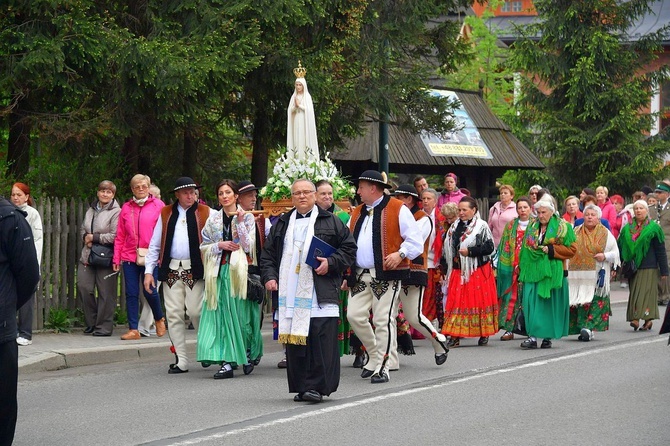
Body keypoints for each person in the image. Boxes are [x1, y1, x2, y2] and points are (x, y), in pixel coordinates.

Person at [261, 179, 356, 402]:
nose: (302, 196)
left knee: (320, 340)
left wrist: (331, 263)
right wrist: (270, 277)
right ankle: (302, 386)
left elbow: (349, 248)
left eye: (306, 192)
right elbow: (268, 255)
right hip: (291, 290)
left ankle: (319, 387)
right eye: (297, 193)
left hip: (320, 291)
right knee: (297, 341)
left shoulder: (331, 221)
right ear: (292, 198)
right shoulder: (282, 224)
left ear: (314, 195)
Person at [346, 170, 423, 384]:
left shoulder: (398, 208)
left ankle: (383, 366)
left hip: (386, 274)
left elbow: (415, 240)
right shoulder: (358, 211)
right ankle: (375, 355)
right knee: (354, 315)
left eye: (361, 187)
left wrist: (400, 254)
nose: (358, 191)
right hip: (360, 275)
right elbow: (348, 242)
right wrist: (346, 272)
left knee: (382, 320)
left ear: (373, 188)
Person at [143, 177, 211, 374]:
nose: (190, 195)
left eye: (192, 192)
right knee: (173, 314)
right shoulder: (166, 213)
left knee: (196, 311)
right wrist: (149, 271)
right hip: (171, 269)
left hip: (195, 269)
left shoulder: (206, 212)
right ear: (177, 195)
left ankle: (205, 348)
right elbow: (155, 244)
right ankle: (181, 359)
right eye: (186, 192)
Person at [197, 180, 258, 378]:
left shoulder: (247, 217)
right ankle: (227, 360)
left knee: (239, 316)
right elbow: (204, 246)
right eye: (221, 193)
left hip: (238, 272)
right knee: (220, 315)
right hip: (218, 271)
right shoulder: (213, 220)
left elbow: (248, 246)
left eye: (228, 192)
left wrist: (239, 223)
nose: (224, 196)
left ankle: (245, 352)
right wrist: (219, 245)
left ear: (236, 196)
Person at [392, 185, 449, 364]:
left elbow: (411, 242)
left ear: (409, 199)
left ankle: (438, 341)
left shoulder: (423, 219)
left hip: (414, 271)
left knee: (413, 316)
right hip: (393, 270)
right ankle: (389, 357)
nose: (395, 201)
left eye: (399, 197)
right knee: (386, 315)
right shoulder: (397, 216)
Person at [0, 194, 39, 446]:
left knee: (3, 397)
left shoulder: (11, 219)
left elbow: (29, 274)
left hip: (1, 327)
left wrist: (7, 305)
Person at [519, 194, 576, 349]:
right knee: (531, 303)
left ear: (552, 212)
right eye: (539, 212)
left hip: (553, 273)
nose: (541, 215)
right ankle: (532, 336)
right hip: (533, 271)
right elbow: (525, 248)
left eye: (544, 212)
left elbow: (571, 250)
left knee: (548, 306)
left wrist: (551, 249)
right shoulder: (532, 227)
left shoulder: (563, 227)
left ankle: (547, 337)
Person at [113, 174, 167, 340]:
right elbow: (120, 234)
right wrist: (116, 257)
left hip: (151, 256)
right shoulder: (126, 208)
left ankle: (159, 317)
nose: (141, 189)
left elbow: (165, 232)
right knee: (131, 293)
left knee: (149, 290)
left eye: (144, 186)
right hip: (129, 255)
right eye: (137, 187)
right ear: (132, 189)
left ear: (149, 187)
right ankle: (133, 329)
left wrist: (162, 255)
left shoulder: (159, 206)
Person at [442, 196, 499, 347]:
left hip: (477, 270)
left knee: (479, 302)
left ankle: (483, 332)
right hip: (457, 270)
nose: (461, 213)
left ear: (473, 210)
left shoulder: (481, 226)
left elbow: (489, 248)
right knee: (455, 302)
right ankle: (454, 336)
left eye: (464, 210)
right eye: (459, 210)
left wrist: (471, 252)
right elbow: (448, 249)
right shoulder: (454, 227)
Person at [568, 205, 620, 341]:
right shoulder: (575, 232)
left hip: (597, 275)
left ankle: (589, 327)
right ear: (583, 217)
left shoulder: (605, 233)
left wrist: (605, 255)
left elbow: (615, 253)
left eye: (593, 215)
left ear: (598, 218)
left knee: (595, 301)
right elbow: (568, 249)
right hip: (578, 277)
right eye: (587, 214)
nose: (590, 217)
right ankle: (582, 328)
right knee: (580, 301)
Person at [315, 180, 353, 359]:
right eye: (323, 194)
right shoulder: (310, 216)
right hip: (315, 272)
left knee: (344, 314)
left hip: (338, 270)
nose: (327, 197)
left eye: (330, 193)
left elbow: (349, 248)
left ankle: (354, 349)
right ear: (314, 195)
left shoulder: (342, 217)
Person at [78, 181, 121, 337]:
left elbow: (115, 235)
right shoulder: (91, 209)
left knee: (106, 292)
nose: (105, 194)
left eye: (108, 192)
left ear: (113, 195)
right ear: (98, 192)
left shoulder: (117, 211)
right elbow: (83, 227)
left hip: (106, 257)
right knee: (84, 287)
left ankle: (104, 327)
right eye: (102, 191)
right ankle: (92, 322)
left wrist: (94, 237)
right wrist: (85, 237)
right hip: (87, 255)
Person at [619, 200, 668, 331]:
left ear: (647, 211)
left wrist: (664, 272)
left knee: (646, 293)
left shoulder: (654, 229)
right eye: (636, 209)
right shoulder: (627, 229)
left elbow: (660, 251)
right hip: (633, 267)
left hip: (649, 267)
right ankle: (639, 318)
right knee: (635, 292)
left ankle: (642, 318)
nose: (638, 211)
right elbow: (621, 247)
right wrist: (617, 266)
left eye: (641, 208)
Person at [237, 180, 268, 366]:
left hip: (256, 271)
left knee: (256, 315)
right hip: (237, 271)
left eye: (254, 194)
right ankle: (244, 349)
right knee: (241, 315)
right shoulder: (232, 217)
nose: (254, 198)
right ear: (238, 197)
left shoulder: (261, 219)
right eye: (249, 195)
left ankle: (253, 350)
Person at [10, 183, 42, 346]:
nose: (16, 197)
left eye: (19, 194)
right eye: (13, 194)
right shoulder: (9, 213)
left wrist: (33, 265)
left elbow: (37, 240)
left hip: (27, 263)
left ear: (27, 197)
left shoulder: (32, 214)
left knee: (26, 299)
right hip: (12, 263)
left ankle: (25, 333)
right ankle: (12, 330)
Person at [496, 196, 532, 341]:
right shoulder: (511, 225)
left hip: (529, 268)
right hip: (512, 266)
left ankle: (530, 329)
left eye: (525, 207)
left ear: (531, 208)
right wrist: (508, 264)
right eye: (520, 208)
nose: (522, 210)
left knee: (528, 298)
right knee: (511, 298)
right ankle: (509, 329)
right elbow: (504, 245)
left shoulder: (535, 225)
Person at [422, 188, 446, 328]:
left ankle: (432, 320)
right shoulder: (417, 216)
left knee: (435, 295)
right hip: (421, 260)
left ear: (435, 201)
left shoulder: (441, 219)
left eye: (428, 198)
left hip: (436, 261)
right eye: (423, 198)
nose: (425, 201)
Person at [286, 62, 318, 162]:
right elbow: (290, 111)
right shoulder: (294, 97)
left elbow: (309, 111)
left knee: (304, 140)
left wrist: (300, 106)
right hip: (296, 120)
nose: (298, 87)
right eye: (296, 85)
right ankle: (296, 159)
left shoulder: (307, 97)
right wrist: (295, 107)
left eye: (300, 85)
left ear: (303, 86)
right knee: (296, 140)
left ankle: (305, 159)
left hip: (305, 121)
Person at [648, 180, 670, 306]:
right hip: (653, 244)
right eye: (656, 192)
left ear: (667, 194)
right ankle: (657, 295)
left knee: (666, 269)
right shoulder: (651, 209)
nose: (657, 194)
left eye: (660, 192)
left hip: (667, 244)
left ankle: (665, 295)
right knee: (655, 269)